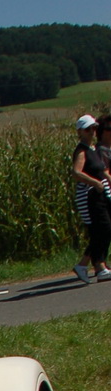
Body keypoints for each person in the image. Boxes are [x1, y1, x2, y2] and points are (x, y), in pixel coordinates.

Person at [72, 115, 111, 281]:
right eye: (88, 129)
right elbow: (76, 172)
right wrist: (95, 182)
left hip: (100, 193)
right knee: (103, 228)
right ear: (80, 131)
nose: (92, 132)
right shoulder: (82, 151)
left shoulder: (93, 149)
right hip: (90, 195)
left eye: (94, 128)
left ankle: (90, 265)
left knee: (102, 230)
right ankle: (94, 265)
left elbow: (101, 169)